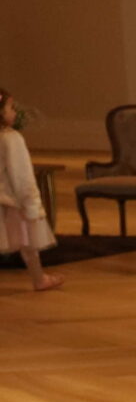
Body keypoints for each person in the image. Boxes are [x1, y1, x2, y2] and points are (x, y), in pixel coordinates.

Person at [0, 91, 64, 293]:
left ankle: (40, 278)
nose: (14, 112)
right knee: (27, 241)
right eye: (10, 108)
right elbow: (22, 175)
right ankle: (39, 278)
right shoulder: (11, 139)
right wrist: (32, 204)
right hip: (11, 201)